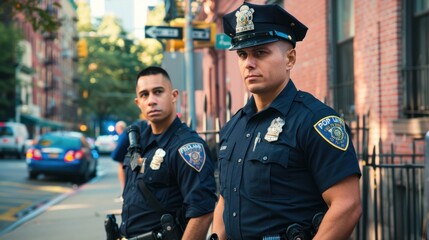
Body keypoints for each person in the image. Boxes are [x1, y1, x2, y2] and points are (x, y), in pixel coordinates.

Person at [212, 2, 362, 240]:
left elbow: (347, 205)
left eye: (260, 53)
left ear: (290, 59)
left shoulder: (316, 121)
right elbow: (226, 198)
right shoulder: (234, 127)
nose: (248, 63)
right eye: (242, 54)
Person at [119, 66, 217, 239]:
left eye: (158, 92)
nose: (151, 100)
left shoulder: (188, 147)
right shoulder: (138, 143)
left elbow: (202, 212)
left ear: (173, 96)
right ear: (138, 103)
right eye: (144, 95)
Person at [111, 120, 127, 189]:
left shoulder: (123, 135)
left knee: (123, 173)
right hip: (125, 160)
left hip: (123, 160)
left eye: (116, 128)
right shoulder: (124, 135)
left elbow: (119, 149)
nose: (116, 129)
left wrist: (114, 155)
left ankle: (124, 192)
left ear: (120, 127)